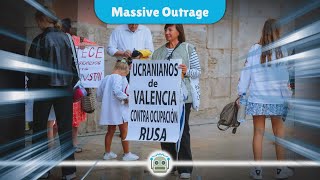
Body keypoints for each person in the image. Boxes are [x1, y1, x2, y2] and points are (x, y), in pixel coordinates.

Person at [237, 19, 293, 180]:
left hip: (257, 98)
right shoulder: (282, 50)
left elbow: (245, 74)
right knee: (279, 132)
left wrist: (241, 93)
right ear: (277, 32)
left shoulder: (254, 49)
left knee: (258, 133)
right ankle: (281, 170)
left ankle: (257, 172)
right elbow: (284, 79)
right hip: (276, 99)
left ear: (264, 31)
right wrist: (288, 98)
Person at [27, 7, 77, 179]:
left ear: (41, 20)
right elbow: (75, 68)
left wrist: (33, 90)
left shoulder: (39, 39)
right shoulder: (68, 39)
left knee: (40, 130)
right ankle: (69, 172)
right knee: (65, 131)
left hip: (44, 89)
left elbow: (32, 69)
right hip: (65, 89)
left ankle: (42, 170)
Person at [151, 24, 201, 179]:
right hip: (162, 99)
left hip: (182, 98)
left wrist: (186, 71)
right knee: (164, 132)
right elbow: (152, 74)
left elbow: (198, 71)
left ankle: (185, 168)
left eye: (170, 30)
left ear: (178, 32)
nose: (167, 33)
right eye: (165, 30)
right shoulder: (158, 52)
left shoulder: (188, 49)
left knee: (182, 131)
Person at [61, 18, 97, 153]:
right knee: (66, 120)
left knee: (67, 120)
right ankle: (68, 145)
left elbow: (94, 47)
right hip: (69, 84)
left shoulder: (74, 40)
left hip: (69, 85)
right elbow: (94, 46)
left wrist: (83, 47)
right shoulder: (69, 40)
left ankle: (69, 145)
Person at [96, 60, 139, 161]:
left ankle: (107, 153)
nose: (125, 76)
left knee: (110, 131)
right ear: (122, 70)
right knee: (124, 131)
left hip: (109, 110)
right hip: (119, 109)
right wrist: (126, 98)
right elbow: (117, 91)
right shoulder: (119, 77)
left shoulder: (106, 78)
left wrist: (106, 102)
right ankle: (127, 154)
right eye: (125, 73)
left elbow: (99, 94)